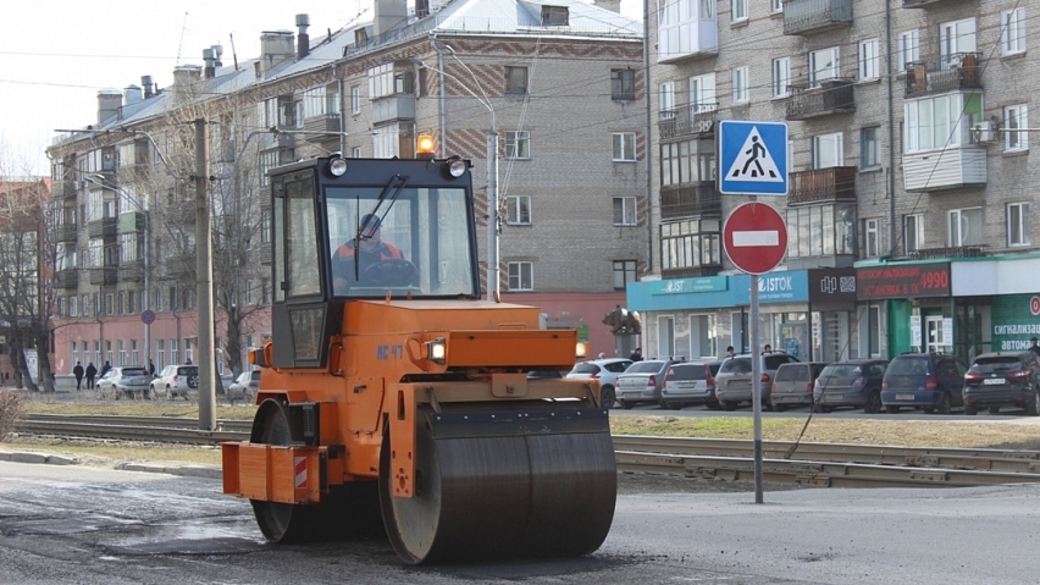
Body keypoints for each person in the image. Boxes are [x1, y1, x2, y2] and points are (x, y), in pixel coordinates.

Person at [332, 213, 406, 293]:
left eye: (376, 229)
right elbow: (331, 274)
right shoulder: (343, 251)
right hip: (352, 299)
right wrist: (336, 280)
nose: (373, 232)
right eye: (369, 228)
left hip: (386, 299)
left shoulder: (394, 251)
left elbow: (404, 276)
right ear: (360, 230)